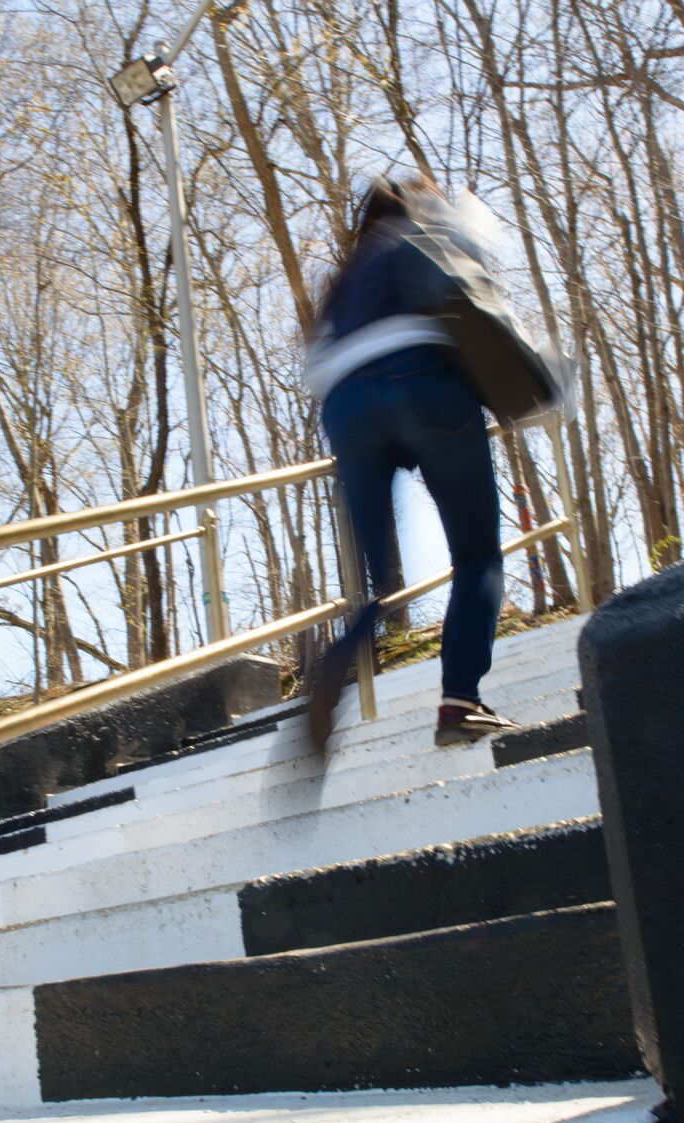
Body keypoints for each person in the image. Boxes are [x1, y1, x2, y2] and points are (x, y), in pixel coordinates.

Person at [302, 176, 552, 752]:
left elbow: (315, 359)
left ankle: (347, 649)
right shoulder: (424, 230)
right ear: (415, 203)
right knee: (476, 554)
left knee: (379, 582)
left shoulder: (342, 278)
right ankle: (460, 701)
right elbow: (477, 279)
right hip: (424, 380)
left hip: (346, 405)